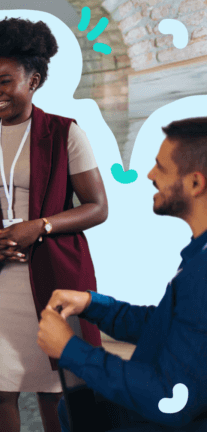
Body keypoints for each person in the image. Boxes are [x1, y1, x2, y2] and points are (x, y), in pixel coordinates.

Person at [0, 18, 108, 432]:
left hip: (56, 274)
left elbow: (97, 207)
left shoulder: (65, 132)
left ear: (35, 80)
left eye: (5, 81)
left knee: (57, 390)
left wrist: (39, 226)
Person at [39, 117, 207, 432]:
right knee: (77, 406)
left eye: (161, 168)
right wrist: (93, 304)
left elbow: (171, 397)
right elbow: (168, 328)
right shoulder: (199, 255)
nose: (150, 175)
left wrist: (71, 350)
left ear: (196, 184)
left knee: (81, 409)